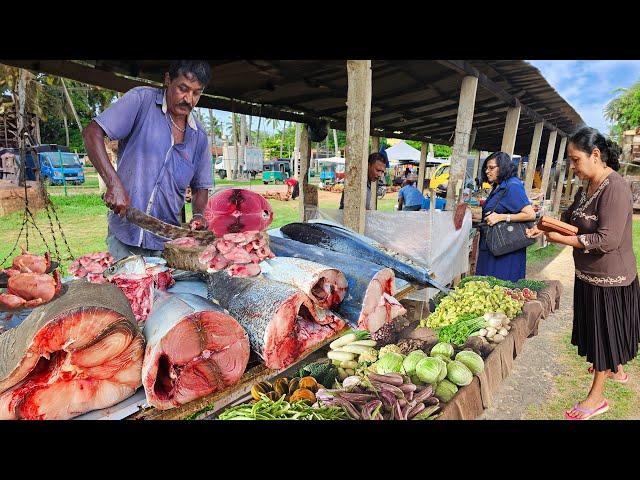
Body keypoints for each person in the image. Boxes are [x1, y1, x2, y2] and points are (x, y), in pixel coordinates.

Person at [527, 127, 640, 420]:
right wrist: (542, 227)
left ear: (596, 155)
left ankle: (597, 398)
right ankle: (614, 367)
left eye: (576, 160)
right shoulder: (586, 187)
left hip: (610, 278)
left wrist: (560, 240)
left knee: (604, 335)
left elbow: (607, 240)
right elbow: (569, 218)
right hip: (588, 275)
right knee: (602, 333)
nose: (573, 167)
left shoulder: (615, 187)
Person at [83, 61, 213, 261]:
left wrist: (198, 215)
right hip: (124, 237)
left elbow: (201, 187)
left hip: (168, 246)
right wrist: (114, 185)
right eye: (183, 89)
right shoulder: (141, 100)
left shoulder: (199, 137)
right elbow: (92, 133)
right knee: (124, 289)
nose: (188, 99)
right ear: (168, 80)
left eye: (196, 93)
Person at [474, 151, 536, 282]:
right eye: (486, 168)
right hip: (494, 246)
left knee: (500, 288)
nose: (487, 171)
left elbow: (530, 214)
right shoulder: (499, 186)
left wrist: (502, 217)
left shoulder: (512, 186)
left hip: (506, 250)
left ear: (502, 167)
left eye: (491, 168)